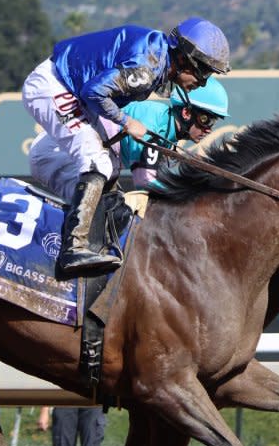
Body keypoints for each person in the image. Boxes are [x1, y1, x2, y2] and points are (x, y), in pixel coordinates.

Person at [22, 17, 230, 274]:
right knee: (97, 159)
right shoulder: (146, 70)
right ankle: (73, 249)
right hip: (54, 86)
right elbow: (93, 92)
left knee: (107, 168)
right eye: (205, 72)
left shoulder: (157, 58)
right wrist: (126, 121)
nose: (203, 82)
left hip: (64, 101)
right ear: (187, 61)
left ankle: (89, 243)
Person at [30, 78, 230, 200]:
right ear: (187, 112)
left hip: (67, 152)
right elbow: (145, 182)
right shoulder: (155, 125)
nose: (208, 129)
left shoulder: (166, 126)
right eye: (206, 119)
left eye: (213, 122)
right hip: (55, 156)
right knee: (106, 209)